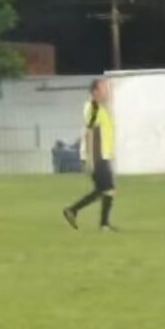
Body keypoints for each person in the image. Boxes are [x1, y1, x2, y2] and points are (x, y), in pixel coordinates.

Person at [63, 78, 118, 232]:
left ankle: (73, 211)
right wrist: (90, 159)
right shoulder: (93, 107)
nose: (107, 92)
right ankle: (103, 224)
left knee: (102, 190)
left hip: (102, 154)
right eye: (104, 89)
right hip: (96, 155)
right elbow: (90, 132)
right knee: (108, 189)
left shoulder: (99, 107)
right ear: (95, 91)